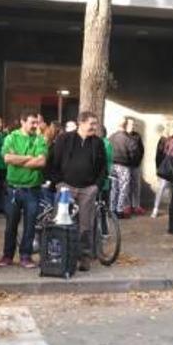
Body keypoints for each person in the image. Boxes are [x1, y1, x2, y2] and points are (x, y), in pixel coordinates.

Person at [49, 111, 107, 272]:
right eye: (92, 123)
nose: (95, 127)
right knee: (61, 223)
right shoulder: (64, 139)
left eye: (95, 123)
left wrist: (97, 185)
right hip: (66, 187)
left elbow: (103, 167)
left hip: (88, 189)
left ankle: (84, 257)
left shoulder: (98, 143)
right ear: (80, 123)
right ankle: (60, 255)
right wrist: (59, 183)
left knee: (85, 225)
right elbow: (52, 162)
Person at [0, 112, 47, 269]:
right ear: (22, 121)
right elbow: (7, 158)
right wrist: (30, 158)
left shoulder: (40, 139)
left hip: (33, 190)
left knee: (30, 225)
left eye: (37, 123)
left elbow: (41, 162)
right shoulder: (11, 138)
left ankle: (26, 256)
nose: (35, 126)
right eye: (32, 122)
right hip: (13, 189)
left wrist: (17, 159)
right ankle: (7, 255)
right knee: (11, 224)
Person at [109, 117, 145, 218]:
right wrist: (132, 162)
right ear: (125, 125)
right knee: (123, 188)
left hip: (112, 165)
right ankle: (120, 210)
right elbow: (135, 153)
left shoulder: (111, 136)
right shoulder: (128, 139)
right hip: (124, 165)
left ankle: (112, 209)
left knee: (114, 189)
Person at [153, 124, 173, 219]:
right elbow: (163, 153)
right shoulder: (171, 141)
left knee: (172, 190)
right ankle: (155, 209)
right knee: (162, 188)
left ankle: (172, 209)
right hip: (169, 168)